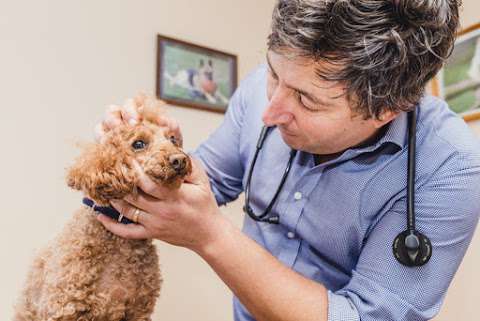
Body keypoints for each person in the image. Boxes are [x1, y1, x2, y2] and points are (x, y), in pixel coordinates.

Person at [95, 1, 480, 320]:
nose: (271, 110)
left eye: (306, 100)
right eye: (273, 74)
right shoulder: (267, 89)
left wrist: (211, 236)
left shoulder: (450, 166)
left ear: (388, 109)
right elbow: (210, 177)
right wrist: (162, 154)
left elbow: (366, 316)